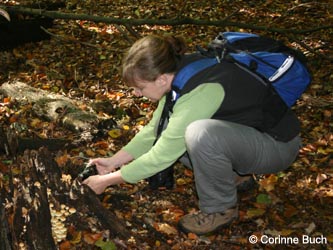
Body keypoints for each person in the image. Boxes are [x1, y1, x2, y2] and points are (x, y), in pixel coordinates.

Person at [83, 34, 302, 235]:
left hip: (278, 146)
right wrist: (113, 162)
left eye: (139, 87)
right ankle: (236, 179)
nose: (136, 93)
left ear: (160, 79)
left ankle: (220, 209)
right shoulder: (180, 76)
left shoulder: (202, 88)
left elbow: (162, 155)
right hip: (247, 139)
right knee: (177, 130)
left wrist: (108, 181)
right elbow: (153, 131)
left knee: (199, 134)